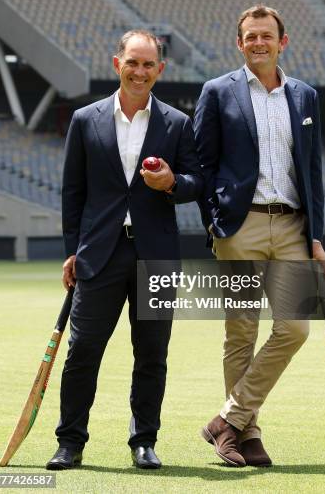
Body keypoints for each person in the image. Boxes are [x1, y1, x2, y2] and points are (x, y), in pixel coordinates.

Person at [46, 30, 203, 471]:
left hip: (156, 257)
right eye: (132, 63)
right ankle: (70, 442)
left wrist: (171, 182)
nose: (139, 71)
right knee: (83, 352)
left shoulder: (176, 123)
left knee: (151, 354)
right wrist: (71, 250)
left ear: (160, 70)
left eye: (148, 64)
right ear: (118, 64)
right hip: (99, 254)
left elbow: (196, 183)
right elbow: (72, 193)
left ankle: (143, 442)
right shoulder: (85, 119)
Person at [193, 5, 325, 468]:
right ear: (240, 43)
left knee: (294, 328)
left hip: (292, 226)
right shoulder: (217, 92)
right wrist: (214, 221)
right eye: (250, 36)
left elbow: (312, 170)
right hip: (239, 227)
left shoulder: (305, 96)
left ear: (282, 42)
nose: (258, 43)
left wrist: (317, 235)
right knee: (241, 334)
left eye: (266, 35)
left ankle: (226, 420)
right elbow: (202, 165)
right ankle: (245, 438)